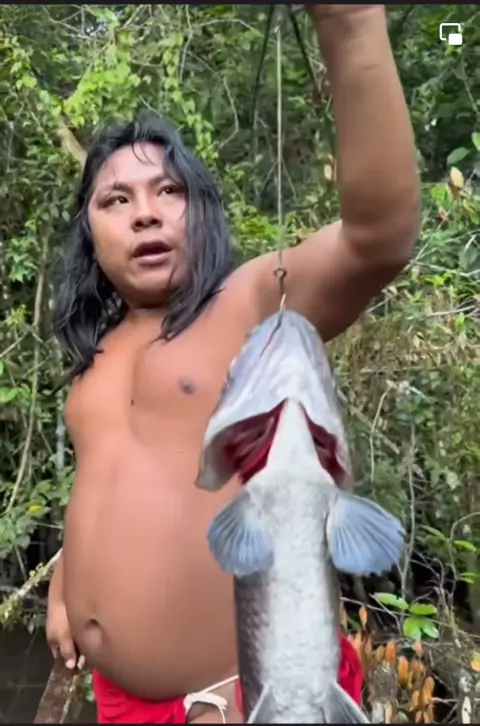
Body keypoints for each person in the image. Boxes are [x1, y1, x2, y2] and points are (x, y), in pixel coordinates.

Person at [46, 4, 420, 724]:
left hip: (246, 698)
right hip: (120, 699)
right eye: (116, 199)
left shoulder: (248, 301)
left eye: (169, 191)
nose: (145, 213)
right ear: (90, 235)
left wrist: (352, 25)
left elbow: (378, 237)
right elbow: (105, 475)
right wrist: (68, 578)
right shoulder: (99, 349)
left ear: (203, 211)